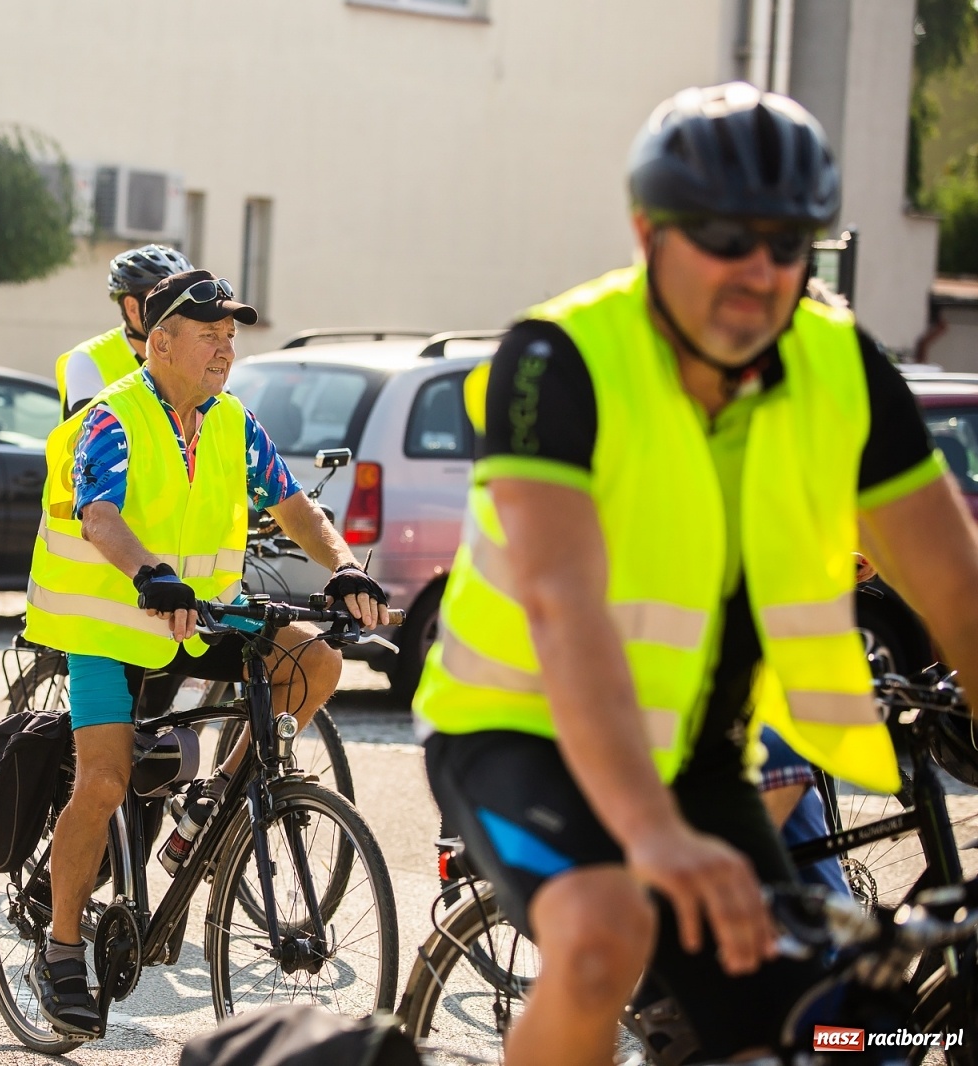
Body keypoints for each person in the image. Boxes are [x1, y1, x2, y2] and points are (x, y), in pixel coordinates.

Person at [413, 82, 978, 1065]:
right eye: (723, 234)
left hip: (695, 752)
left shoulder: (840, 365)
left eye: (787, 240)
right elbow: (560, 606)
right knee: (602, 933)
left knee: (810, 1028)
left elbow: (955, 584)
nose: (758, 270)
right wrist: (649, 836)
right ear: (647, 230)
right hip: (517, 724)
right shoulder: (560, 356)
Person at [23, 268, 390, 1037]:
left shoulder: (233, 423)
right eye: (210, 336)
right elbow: (98, 515)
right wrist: (149, 574)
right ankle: (59, 949)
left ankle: (207, 810)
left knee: (315, 661)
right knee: (105, 779)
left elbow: (294, 503)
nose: (226, 350)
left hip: (196, 622)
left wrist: (345, 565)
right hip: (109, 628)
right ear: (161, 341)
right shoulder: (111, 419)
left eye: (231, 338)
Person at [56, 244, 193, 420]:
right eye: (166, 299)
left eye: (183, 299)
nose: (180, 309)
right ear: (132, 308)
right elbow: (95, 440)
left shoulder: (198, 354)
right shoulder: (89, 360)